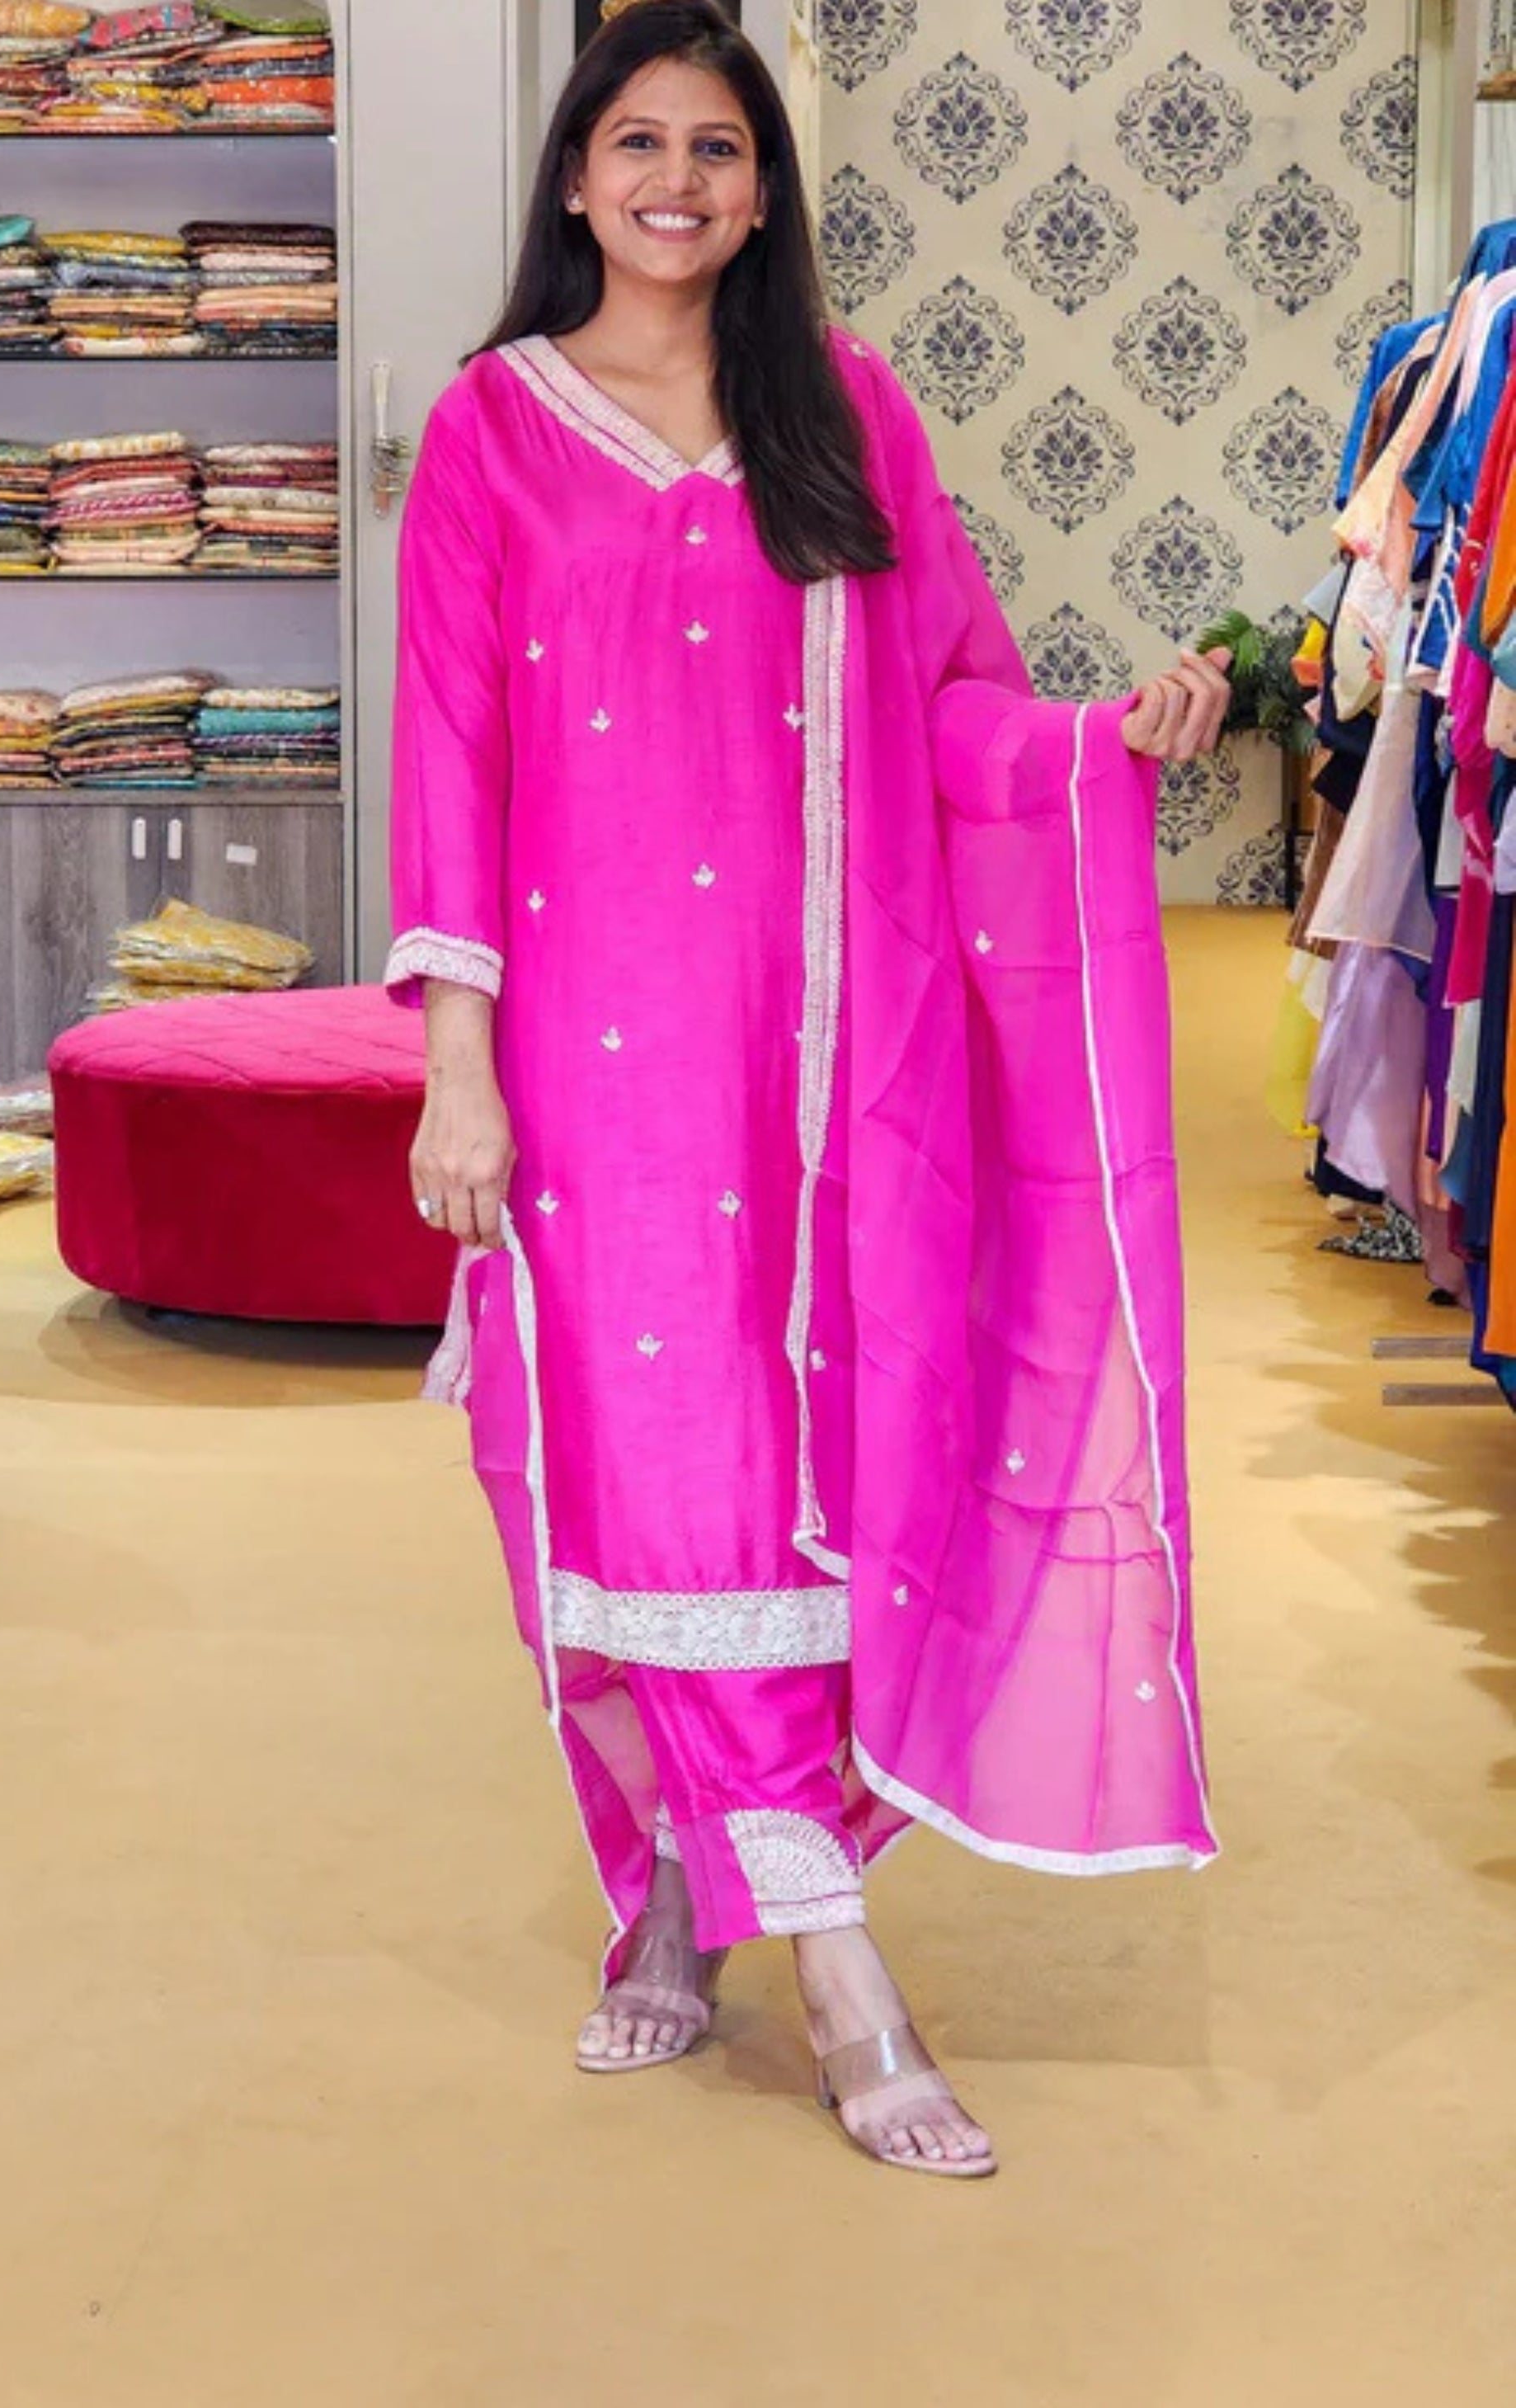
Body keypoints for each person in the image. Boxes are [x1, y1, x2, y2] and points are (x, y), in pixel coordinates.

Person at [386, 0, 1227, 2179]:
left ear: (763, 195)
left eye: (719, 149)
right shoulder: (489, 428)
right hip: (596, 1068)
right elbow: (451, 763)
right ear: (577, 178)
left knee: (801, 1475)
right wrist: (456, 1071)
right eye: (638, 142)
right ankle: (840, 1971)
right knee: (648, 1469)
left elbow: (951, 698)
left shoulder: (841, 411)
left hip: (833, 1061)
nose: (676, 180)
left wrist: (1095, 743)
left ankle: (687, 1883)